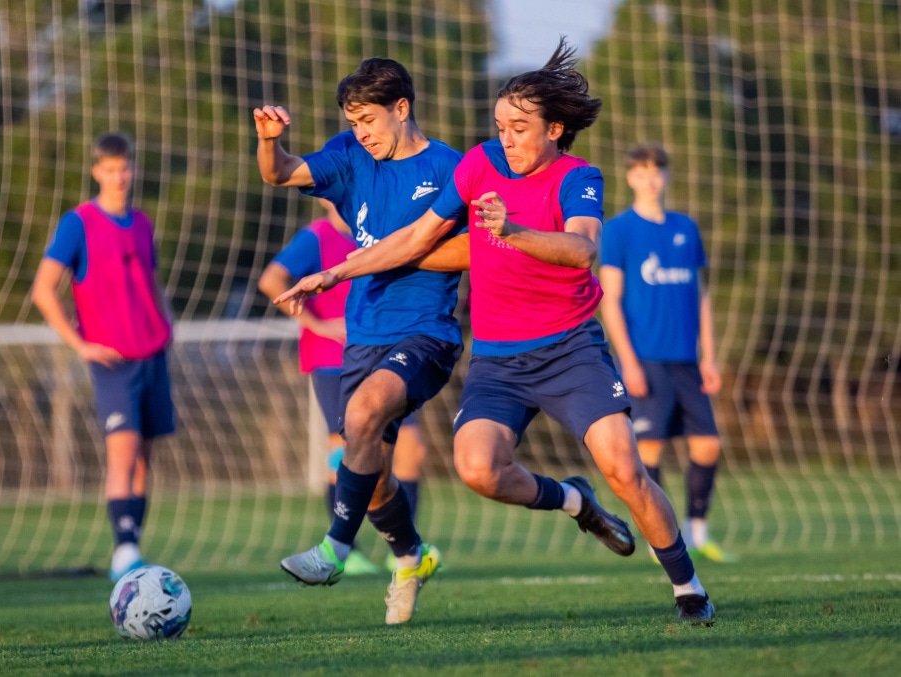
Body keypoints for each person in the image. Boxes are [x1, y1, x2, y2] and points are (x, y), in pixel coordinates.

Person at [276, 38, 716, 625]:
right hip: (498, 361)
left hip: (570, 350)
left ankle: (687, 587)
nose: (504, 138)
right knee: (477, 469)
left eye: (518, 128)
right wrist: (331, 273)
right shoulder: (479, 163)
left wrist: (511, 232)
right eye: (499, 126)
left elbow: (582, 249)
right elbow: (413, 239)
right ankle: (572, 500)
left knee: (624, 469)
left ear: (554, 129)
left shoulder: (578, 178)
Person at [253, 56, 466, 624]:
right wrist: (269, 142)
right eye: (353, 123)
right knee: (368, 472)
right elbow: (278, 174)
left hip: (426, 333)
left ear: (402, 108)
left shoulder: (452, 168)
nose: (361, 134)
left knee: (366, 413)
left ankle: (334, 550)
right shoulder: (349, 156)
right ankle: (409, 556)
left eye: (368, 120)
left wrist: (403, 249)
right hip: (364, 335)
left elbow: (473, 250)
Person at [256, 198, 431, 576]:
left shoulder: (381, 229)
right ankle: (345, 548)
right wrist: (317, 325)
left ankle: (401, 545)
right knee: (344, 449)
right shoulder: (316, 236)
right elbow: (271, 280)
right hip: (332, 360)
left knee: (410, 449)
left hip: (384, 354)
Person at [32, 132, 175, 583]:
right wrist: (80, 345)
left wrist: (168, 326)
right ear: (97, 171)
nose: (119, 176)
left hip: (152, 351)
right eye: (110, 169)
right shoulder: (78, 223)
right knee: (123, 451)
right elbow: (42, 290)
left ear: (133, 168)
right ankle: (124, 552)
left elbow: (151, 283)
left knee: (144, 456)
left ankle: (132, 545)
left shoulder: (143, 223)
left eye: (125, 167)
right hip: (111, 358)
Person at [598, 144, 735, 563]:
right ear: (630, 178)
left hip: (686, 361)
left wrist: (708, 356)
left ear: (666, 177)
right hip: (646, 360)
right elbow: (611, 301)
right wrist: (629, 362)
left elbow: (702, 296)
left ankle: (698, 532)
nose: (650, 178)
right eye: (641, 171)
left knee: (708, 444)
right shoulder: (619, 231)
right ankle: (662, 540)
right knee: (650, 450)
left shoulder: (685, 228)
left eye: (657, 171)